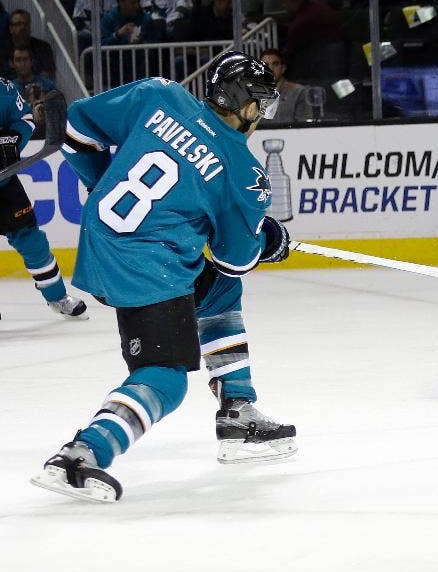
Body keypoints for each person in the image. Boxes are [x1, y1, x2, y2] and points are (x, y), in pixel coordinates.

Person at [31, 51, 295, 503]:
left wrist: (100, 182)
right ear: (246, 105)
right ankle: (81, 455)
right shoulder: (245, 172)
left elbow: (75, 128)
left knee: (219, 292)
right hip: (147, 265)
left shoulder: (159, 95)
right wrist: (269, 241)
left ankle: (238, 409)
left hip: (104, 234)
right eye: (261, 104)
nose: (262, 115)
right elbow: (235, 256)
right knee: (165, 377)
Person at [0, 79, 87, 319]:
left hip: (4, 186)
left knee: (32, 242)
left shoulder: (4, 89)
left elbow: (24, 120)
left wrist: (11, 142)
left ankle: (57, 297)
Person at [260, 47, 314, 124]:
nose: (270, 69)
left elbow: (305, 126)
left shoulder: (299, 92)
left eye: (275, 64)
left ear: (283, 68)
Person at [1, 10, 56, 80]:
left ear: (30, 27)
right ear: (11, 29)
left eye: (25, 24)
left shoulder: (43, 47)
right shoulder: (2, 50)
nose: (22, 27)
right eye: (18, 24)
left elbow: (49, 73)